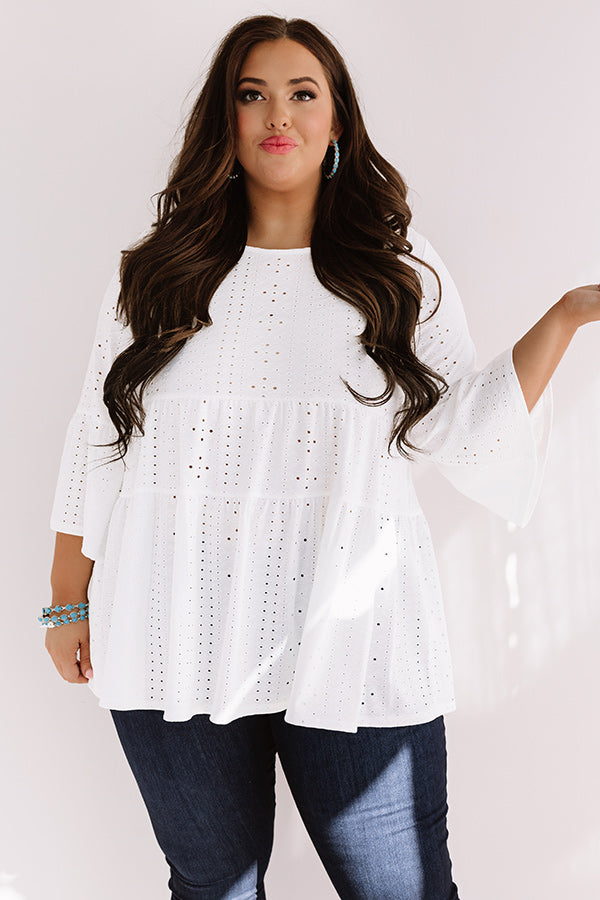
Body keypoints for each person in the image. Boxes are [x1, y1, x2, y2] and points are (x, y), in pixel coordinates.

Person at [42, 14, 599, 900]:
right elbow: (99, 438)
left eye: (303, 93)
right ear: (224, 120)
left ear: (337, 119)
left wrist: (568, 314)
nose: (279, 115)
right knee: (213, 887)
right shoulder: (156, 273)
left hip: (357, 634)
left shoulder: (398, 271)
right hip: (173, 625)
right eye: (252, 94)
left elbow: (465, 428)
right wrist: (65, 600)